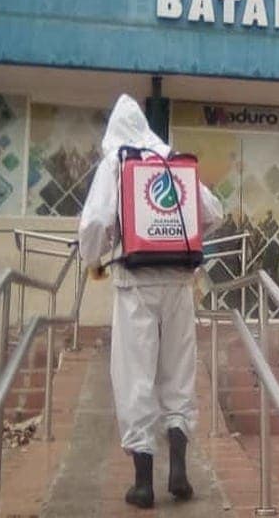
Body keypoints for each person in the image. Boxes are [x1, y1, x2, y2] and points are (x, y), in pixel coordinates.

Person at [79, 94, 224, 509]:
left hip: (135, 283)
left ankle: (143, 482)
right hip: (179, 280)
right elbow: (212, 212)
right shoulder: (171, 160)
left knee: (136, 375)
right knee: (178, 372)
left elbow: (94, 223)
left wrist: (95, 259)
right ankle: (178, 467)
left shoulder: (118, 162)